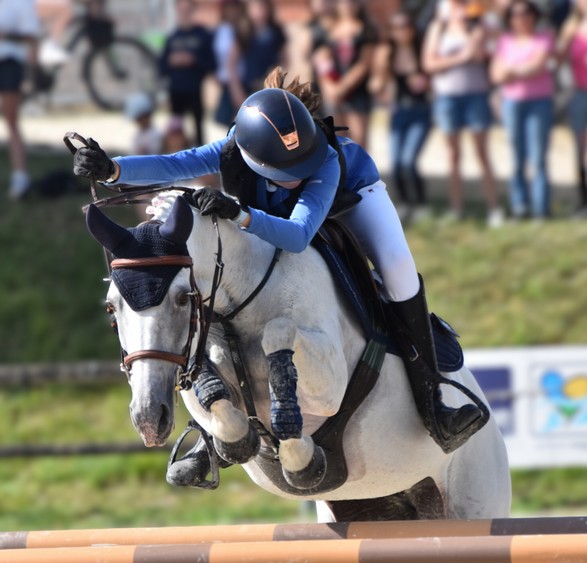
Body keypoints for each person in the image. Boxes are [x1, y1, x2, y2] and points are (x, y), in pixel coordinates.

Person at [72, 67, 486, 456]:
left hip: (351, 199)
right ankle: (208, 425)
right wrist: (113, 169)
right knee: (212, 277)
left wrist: (239, 213)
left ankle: (433, 399)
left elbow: (297, 234)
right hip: (271, 212)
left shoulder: (322, 161)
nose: (294, 173)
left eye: (298, 162)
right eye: (282, 168)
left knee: (398, 274)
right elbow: (179, 163)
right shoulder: (235, 147)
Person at [422, 0, 503, 225]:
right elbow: (429, 64)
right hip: (448, 96)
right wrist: (460, 57)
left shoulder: (481, 25)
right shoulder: (438, 27)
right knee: (453, 155)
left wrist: (475, 37)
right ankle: (456, 208)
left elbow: (482, 56)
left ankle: (494, 208)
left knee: (482, 153)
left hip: (476, 95)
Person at [490, 0, 556, 219]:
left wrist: (511, 70)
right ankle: (520, 206)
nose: (521, 18)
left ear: (534, 16)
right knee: (517, 157)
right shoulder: (505, 41)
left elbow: (536, 66)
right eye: (516, 14)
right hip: (512, 103)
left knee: (538, 158)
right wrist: (520, 70)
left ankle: (541, 208)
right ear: (510, 18)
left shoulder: (544, 37)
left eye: (526, 13)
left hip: (539, 102)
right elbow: (496, 75)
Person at [370, 10, 432, 221]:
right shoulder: (388, 53)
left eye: (405, 26)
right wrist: (381, 83)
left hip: (421, 110)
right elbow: (376, 85)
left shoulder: (422, 50)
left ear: (413, 29)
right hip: (398, 112)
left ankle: (421, 203)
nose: (401, 32)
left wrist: (425, 82)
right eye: (396, 28)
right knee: (396, 163)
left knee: (409, 160)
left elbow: (434, 81)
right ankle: (405, 202)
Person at [312, 0, 378, 148]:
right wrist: (328, 86)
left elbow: (364, 64)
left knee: (358, 140)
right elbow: (322, 59)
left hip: (357, 92)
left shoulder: (365, 31)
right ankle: (342, 171)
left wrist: (343, 87)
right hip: (333, 93)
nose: (347, 6)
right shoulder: (329, 30)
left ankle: (359, 171)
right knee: (337, 139)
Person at [159, 0, 215, 147]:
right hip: (175, 90)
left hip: (194, 89)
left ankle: (203, 164)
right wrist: (173, 62)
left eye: (187, 9)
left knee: (198, 129)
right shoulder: (172, 37)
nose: (184, 13)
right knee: (176, 129)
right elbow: (162, 67)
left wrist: (193, 60)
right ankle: (178, 162)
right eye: (181, 10)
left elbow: (211, 64)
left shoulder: (202, 35)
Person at [0, 0, 41, 199]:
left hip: (9, 62)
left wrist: (6, 34)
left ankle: (20, 176)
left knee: (11, 119)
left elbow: (31, 36)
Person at [557, 0, 587, 215]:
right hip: (580, 94)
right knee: (581, 151)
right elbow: (557, 60)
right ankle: (584, 201)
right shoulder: (571, 29)